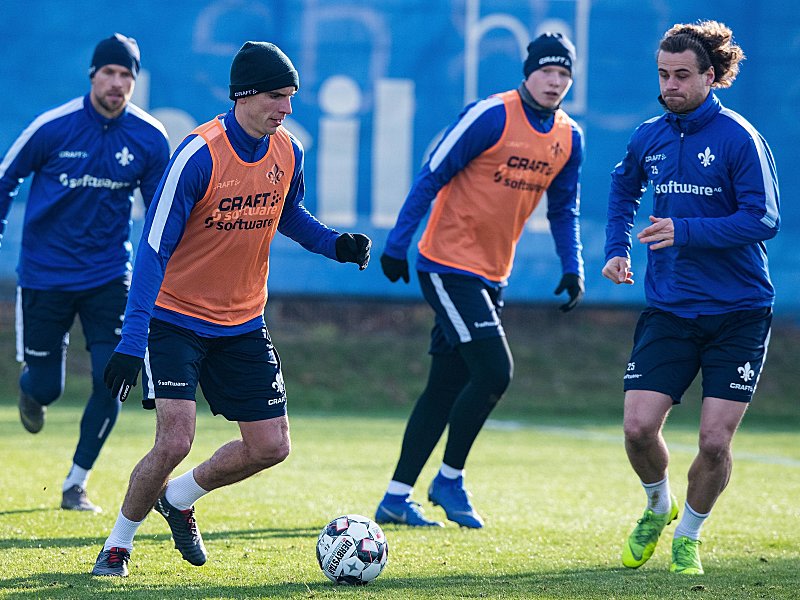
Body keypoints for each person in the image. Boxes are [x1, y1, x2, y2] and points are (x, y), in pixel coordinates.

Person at [90, 41, 371, 577]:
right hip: (174, 319)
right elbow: (152, 251)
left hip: (242, 321)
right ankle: (118, 544)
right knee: (175, 439)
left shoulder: (287, 151)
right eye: (275, 96)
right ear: (244, 96)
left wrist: (336, 245)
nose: (286, 108)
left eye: (290, 96)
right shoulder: (198, 155)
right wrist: (131, 342)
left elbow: (289, 214)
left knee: (271, 446)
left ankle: (178, 499)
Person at [374, 32, 585, 528]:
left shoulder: (569, 137)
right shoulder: (490, 114)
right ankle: (449, 479)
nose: (555, 81)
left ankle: (395, 496)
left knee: (444, 388)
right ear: (528, 72)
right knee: (494, 371)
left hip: (493, 274)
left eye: (564, 73)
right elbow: (432, 172)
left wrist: (571, 265)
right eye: (547, 70)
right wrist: (396, 242)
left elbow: (564, 208)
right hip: (447, 265)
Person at [603, 20, 780, 575]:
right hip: (671, 308)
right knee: (636, 428)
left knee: (713, 440)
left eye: (682, 75)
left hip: (739, 313)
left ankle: (689, 535)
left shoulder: (739, 138)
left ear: (711, 76)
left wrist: (685, 231)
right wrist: (616, 248)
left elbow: (764, 218)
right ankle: (659, 507)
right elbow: (622, 186)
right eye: (663, 74)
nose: (670, 85)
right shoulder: (649, 134)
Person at [0, 34, 170, 512]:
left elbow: (161, 214)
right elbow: (5, 177)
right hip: (44, 276)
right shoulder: (52, 127)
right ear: (93, 75)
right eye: (110, 73)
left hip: (108, 276)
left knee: (110, 377)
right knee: (46, 385)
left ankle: (76, 482)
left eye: (127, 76)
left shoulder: (150, 137)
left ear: (135, 82)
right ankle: (32, 391)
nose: (118, 84)